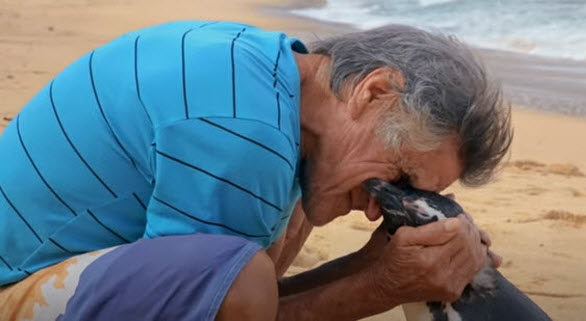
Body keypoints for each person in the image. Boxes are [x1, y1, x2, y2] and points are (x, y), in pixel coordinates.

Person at [0, 21, 511, 320]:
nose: (381, 205)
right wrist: (381, 285)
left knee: (294, 214)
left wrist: (377, 264)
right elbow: (223, 304)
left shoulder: (271, 78)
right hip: (13, 288)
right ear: (373, 91)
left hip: (56, 265)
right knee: (243, 277)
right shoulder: (245, 131)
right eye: (399, 176)